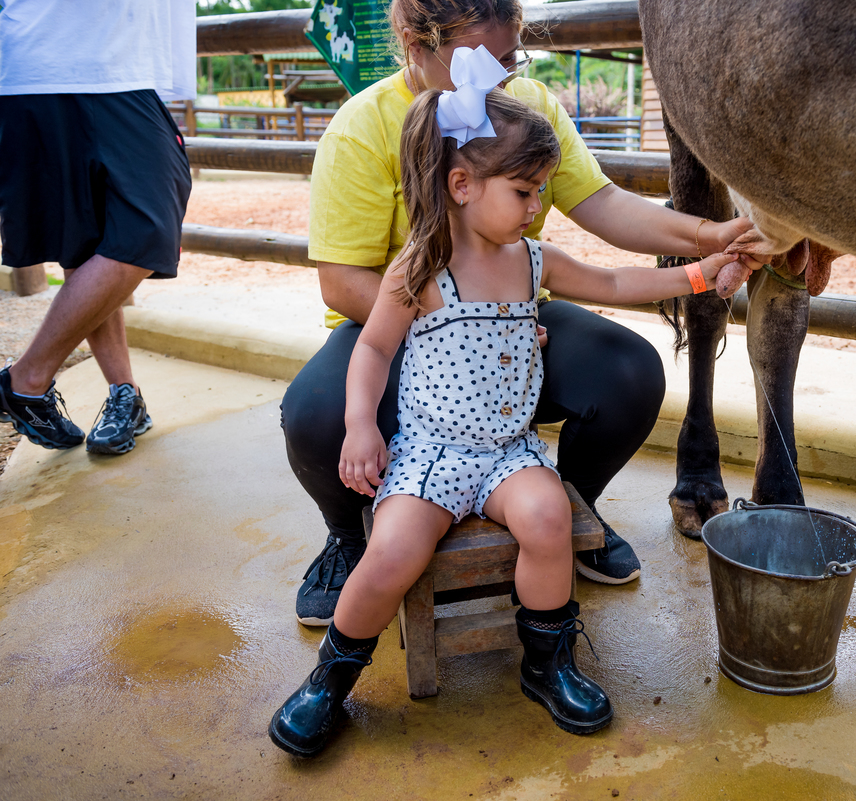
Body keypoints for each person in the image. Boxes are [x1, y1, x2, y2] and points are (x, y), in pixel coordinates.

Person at [268, 58, 741, 756]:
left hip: (507, 451)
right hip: (432, 450)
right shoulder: (419, 266)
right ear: (461, 185)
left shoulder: (533, 259)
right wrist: (364, 424)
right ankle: (332, 676)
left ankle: (547, 663)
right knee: (391, 548)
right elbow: (370, 352)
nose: (534, 204)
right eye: (524, 190)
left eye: (540, 190)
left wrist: (704, 272)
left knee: (548, 515)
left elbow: (613, 278)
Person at [0, 0, 194, 455]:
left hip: (89, 64)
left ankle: (125, 395)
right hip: (57, 66)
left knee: (96, 243)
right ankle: (26, 380)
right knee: (144, 229)